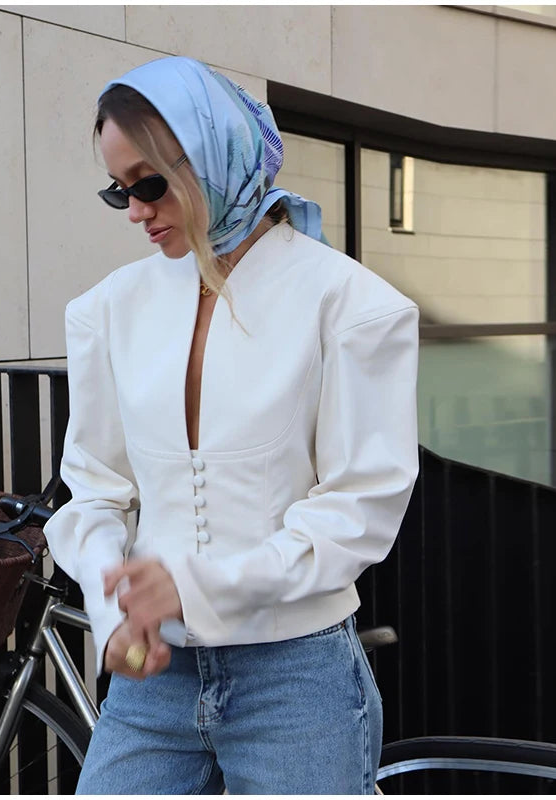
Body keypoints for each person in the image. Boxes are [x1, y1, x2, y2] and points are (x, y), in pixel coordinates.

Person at [43, 55, 419, 795]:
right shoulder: (107, 309)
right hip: (152, 680)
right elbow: (95, 490)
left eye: (149, 184)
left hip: (296, 679)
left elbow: (358, 509)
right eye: (118, 189)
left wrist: (193, 586)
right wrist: (114, 608)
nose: (135, 211)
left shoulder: (354, 306)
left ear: (216, 156)